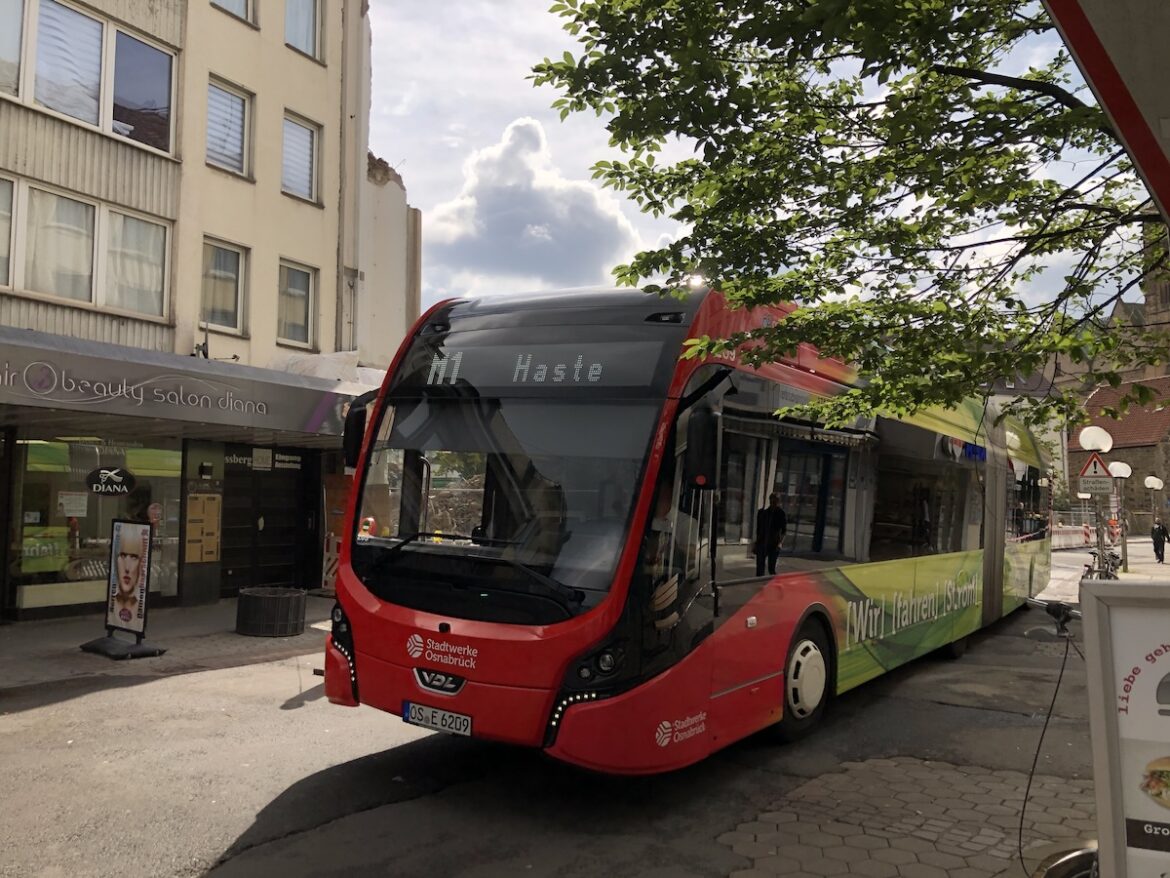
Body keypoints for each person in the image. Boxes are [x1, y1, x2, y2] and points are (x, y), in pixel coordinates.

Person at [754, 492, 788, 576]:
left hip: (774, 543)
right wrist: (756, 543)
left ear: (778, 501)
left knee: (771, 568)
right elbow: (759, 529)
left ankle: (773, 581)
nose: (774, 503)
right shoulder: (763, 513)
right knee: (760, 568)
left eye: (776, 501)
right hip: (762, 542)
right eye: (772, 500)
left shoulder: (781, 513)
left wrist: (780, 543)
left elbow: (784, 531)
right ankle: (759, 582)